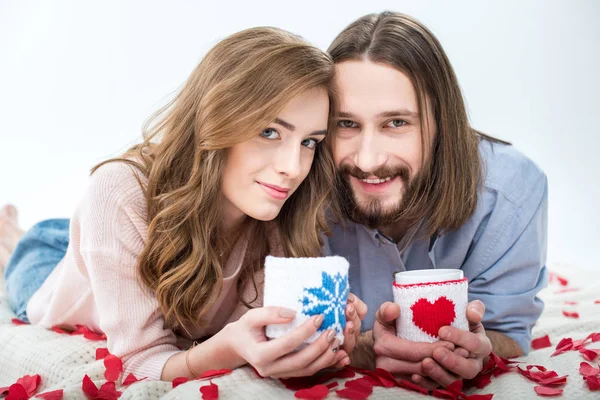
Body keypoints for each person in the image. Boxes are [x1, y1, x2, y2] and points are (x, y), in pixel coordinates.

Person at [0, 27, 368, 381]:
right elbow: (138, 361)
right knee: (24, 257)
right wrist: (225, 350)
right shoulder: (118, 192)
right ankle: (14, 237)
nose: (292, 168)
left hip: (105, 241)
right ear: (216, 119)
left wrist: (325, 338)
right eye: (269, 132)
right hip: (59, 266)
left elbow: (266, 332)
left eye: (309, 142)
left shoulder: (282, 211)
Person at [324, 11, 548, 388]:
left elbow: (507, 332)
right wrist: (364, 347)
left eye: (396, 123)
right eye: (346, 124)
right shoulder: (297, 179)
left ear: (441, 121)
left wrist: (476, 347)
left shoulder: (511, 190)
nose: (367, 160)